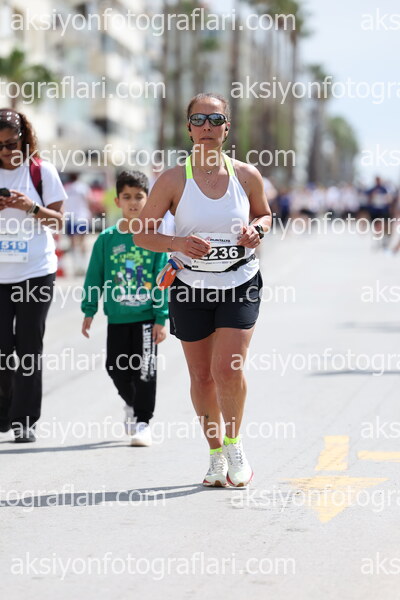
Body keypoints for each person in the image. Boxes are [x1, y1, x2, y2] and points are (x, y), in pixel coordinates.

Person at [136, 93, 272, 487]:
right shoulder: (173, 179)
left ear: (227, 128)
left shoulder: (246, 176)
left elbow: (264, 214)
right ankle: (215, 454)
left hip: (238, 281)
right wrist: (177, 243)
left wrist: (257, 231)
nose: (207, 126)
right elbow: (142, 234)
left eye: (215, 120)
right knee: (201, 376)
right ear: (189, 128)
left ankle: (234, 445)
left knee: (227, 369)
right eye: (199, 119)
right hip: (190, 286)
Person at [81, 170, 168, 446]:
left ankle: (143, 422)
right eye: (127, 197)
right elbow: (94, 276)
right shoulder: (107, 239)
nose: (133, 202)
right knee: (115, 367)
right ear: (117, 201)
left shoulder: (155, 239)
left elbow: (161, 279)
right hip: (117, 317)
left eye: (139, 197)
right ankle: (131, 403)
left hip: (146, 318)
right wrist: (89, 309)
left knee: (145, 370)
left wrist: (161, 316)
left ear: (148, 200)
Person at [0, 109, 67, 442]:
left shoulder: (41, 171)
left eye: (11, 144)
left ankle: (24, 420)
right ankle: (4, 413)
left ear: (24, 139)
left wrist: (30, 207)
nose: (5, 151)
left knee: (28, 348)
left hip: (35, 272)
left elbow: (59, 222)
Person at [64, 172, 92, 275]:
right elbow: (89, 201)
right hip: (82, 217)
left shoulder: (67, 188)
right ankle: (83, 266)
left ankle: (75, 267)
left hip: (70, 217)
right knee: (83, 243)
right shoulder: (83, 187)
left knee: (72, 244)